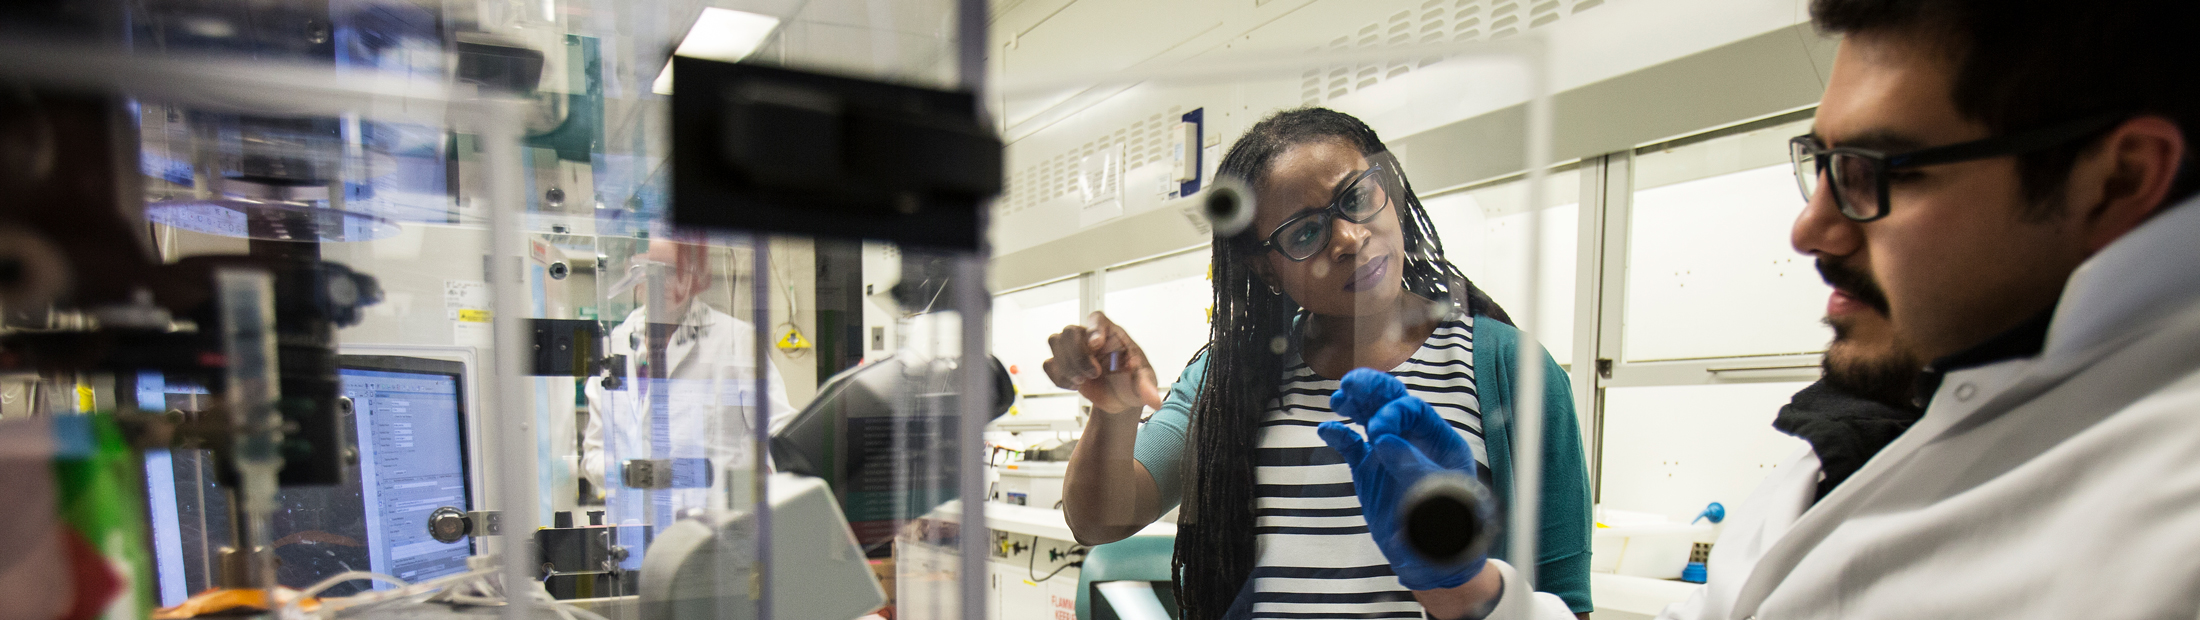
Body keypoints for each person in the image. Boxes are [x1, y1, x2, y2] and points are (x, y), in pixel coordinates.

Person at [1657, 0, 2200, 618]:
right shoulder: (1953, 399)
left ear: (2119, 181)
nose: (1812, 230)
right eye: (1823, 161)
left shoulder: (2170, 533)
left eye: (1874, 171)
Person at [1050, 108, 1592, 620]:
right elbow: (1098, 520)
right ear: (1267, 271)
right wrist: (1115, 412)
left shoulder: (1507, 369)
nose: (1351, 238)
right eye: (1305, 233)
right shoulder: (1230, 379)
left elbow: (1564, 599)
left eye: (1357, 198)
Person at [580, 232, 796, 520]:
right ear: (631, 274)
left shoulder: (736, 340)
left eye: (671, 272)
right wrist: (634, 472)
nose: (659, 283)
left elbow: (781, 431)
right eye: (647, 270)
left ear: (693, 277)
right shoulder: (613, 347)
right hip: (637, 530)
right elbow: (593, 456)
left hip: (719, 530)